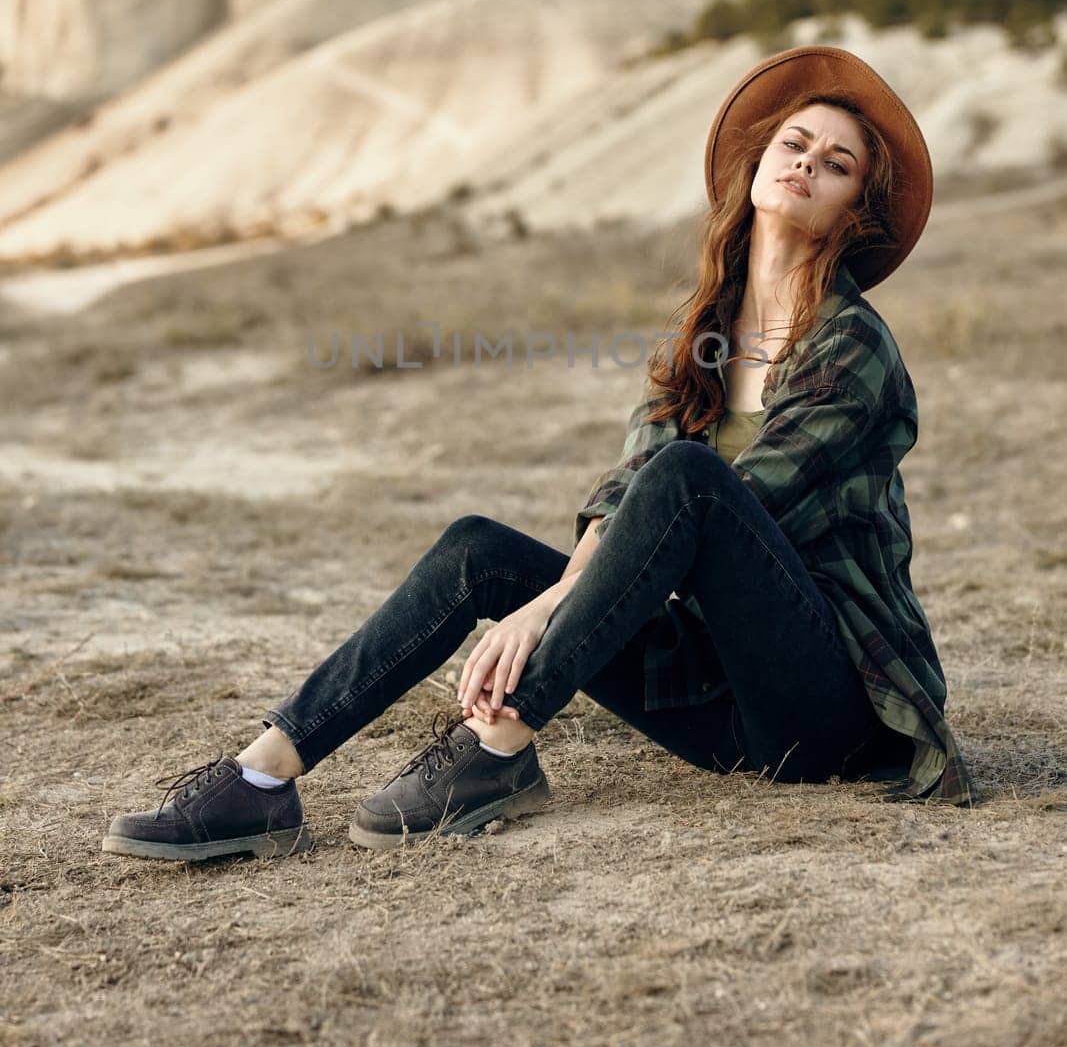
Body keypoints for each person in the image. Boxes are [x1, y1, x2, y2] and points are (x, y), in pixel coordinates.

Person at [102, 45, 977, 863]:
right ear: (753, 168)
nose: (805, 165)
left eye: (835, 164)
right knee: (478, 549)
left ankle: (499, 747)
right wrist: (543, 595)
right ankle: (263, 776)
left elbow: (730, 503)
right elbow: (629, 493)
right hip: (717, 712)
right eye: (793, 145)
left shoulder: (851, 346)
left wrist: (553, 604)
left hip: (832, 707)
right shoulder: (702, 337)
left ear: (852, 210)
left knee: (693, 479)